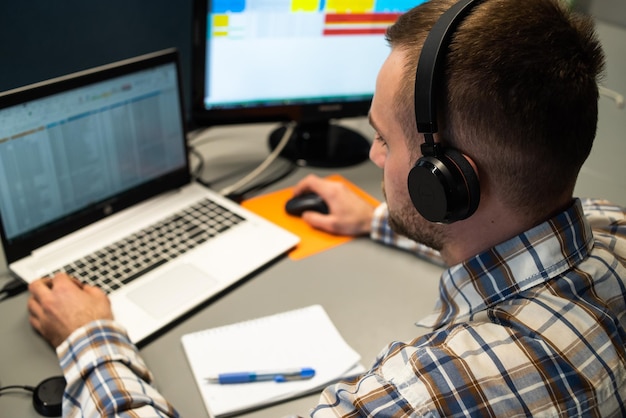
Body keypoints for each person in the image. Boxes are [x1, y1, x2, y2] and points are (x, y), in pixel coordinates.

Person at [27, 0, 626, 416]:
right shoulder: (615, 230)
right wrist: (370, 219)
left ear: (445, 184)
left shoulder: (412, 398)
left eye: (386, 140)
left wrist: (91, 338)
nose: (371, 151)